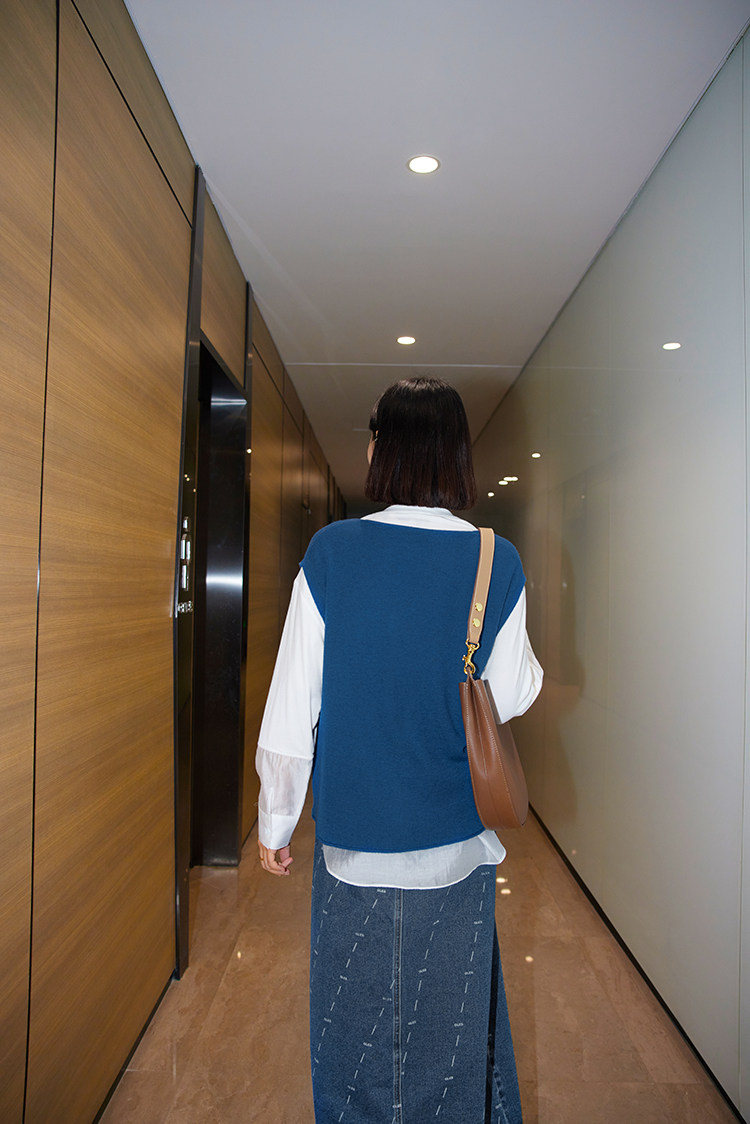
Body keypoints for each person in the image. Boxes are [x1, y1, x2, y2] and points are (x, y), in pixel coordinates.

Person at [256, 376, 542, 1123]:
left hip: (355, 846)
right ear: (457, 456)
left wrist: (276, 824)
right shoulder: (496, 560)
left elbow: (292, 706)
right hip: (455, 845)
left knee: (353, 1046)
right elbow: (512, 695)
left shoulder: (332, 552)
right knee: (449, 1046)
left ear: (382, 448)